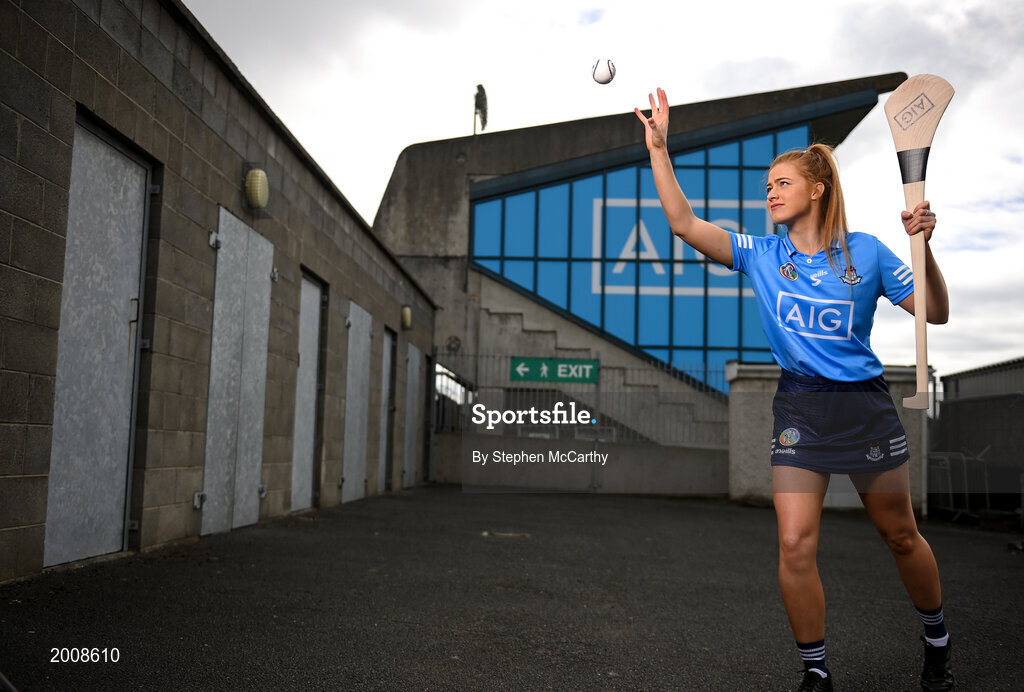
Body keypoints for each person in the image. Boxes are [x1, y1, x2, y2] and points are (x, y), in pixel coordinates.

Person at [635, 88, 954, 692]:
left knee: (900, 535)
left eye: (781, 183)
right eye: (767, 187)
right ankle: (816, 673)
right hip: (802, 406)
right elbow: (682, 222)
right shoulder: (760, 254)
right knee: (793, 541)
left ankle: (936, 644)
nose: (770, 193)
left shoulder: (870, 253)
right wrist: (659, 148)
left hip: (864, 408)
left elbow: (934, 312)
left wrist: (925, 246)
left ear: (817, 189)